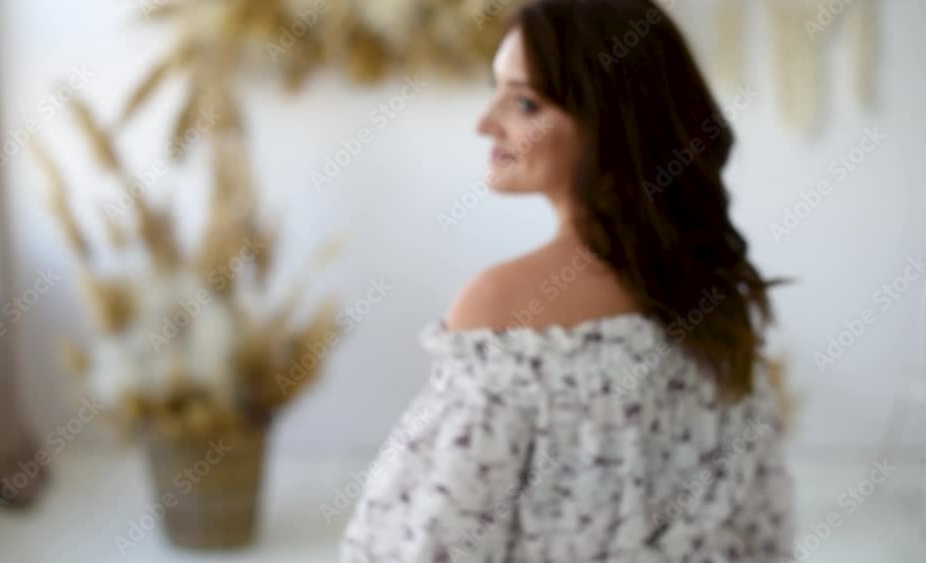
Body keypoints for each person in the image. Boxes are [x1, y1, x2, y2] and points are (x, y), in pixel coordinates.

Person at [340, 0, 795, 561]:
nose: (485, 123)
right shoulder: (715, 294)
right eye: (495, 89)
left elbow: (429, 544)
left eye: (525, 102)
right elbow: (765, 528)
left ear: (609, 120)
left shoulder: (501, 306)